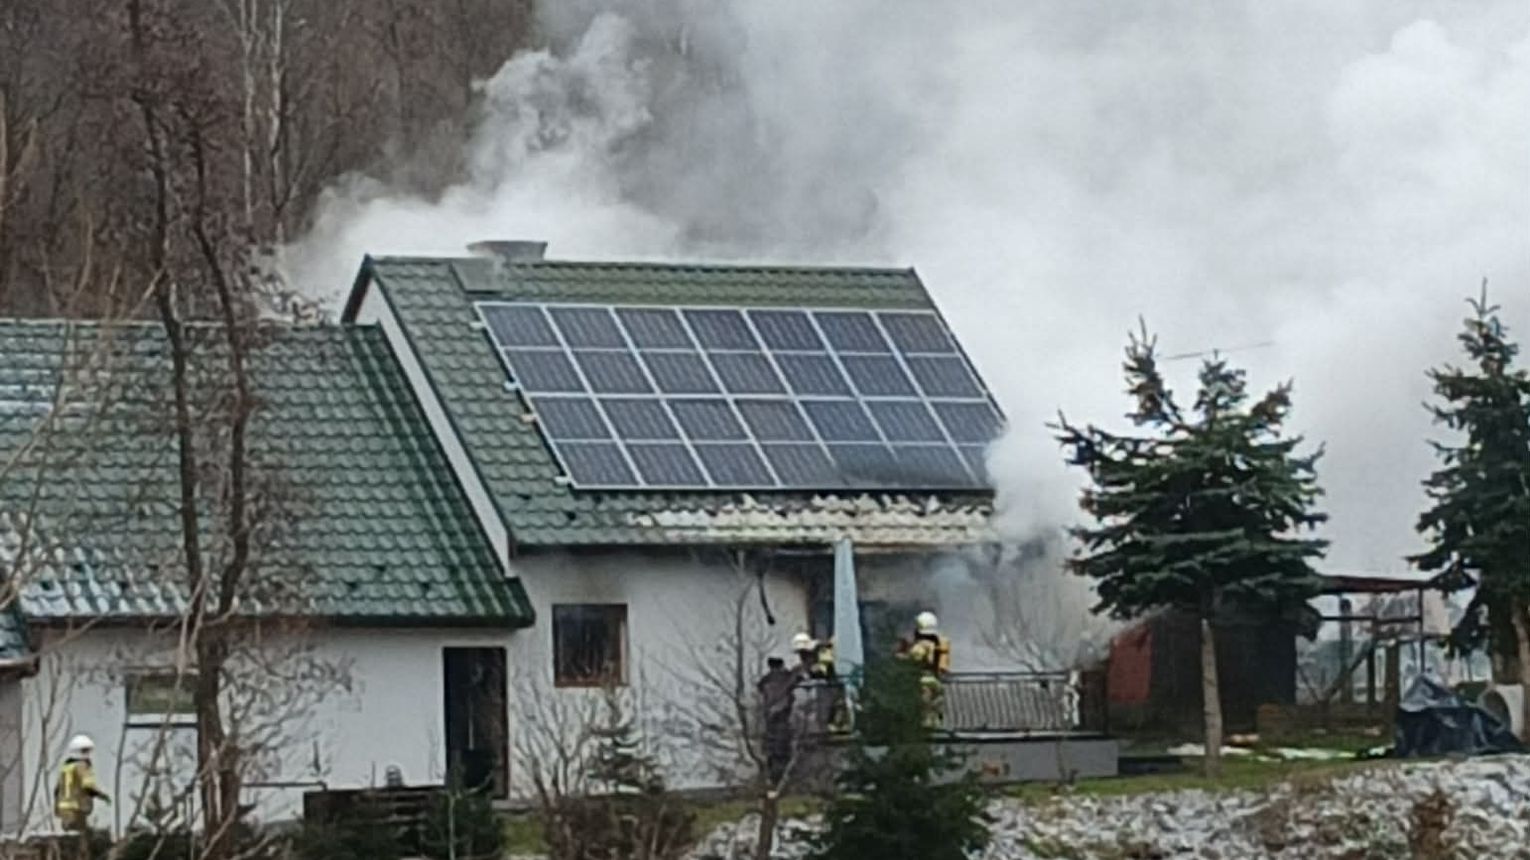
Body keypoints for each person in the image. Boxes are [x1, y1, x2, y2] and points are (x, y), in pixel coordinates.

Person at [902, 611, 952, 727]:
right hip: (938, 679)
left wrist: (904, 655)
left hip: (924, 679)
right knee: (936, 707)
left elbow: (915, 657)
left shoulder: (922, 644)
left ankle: (927, 727)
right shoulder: (941, 641)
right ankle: (937, 726)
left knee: (925, 707)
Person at [55, 735, 109, 839]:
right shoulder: (81, 766)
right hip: (78, 808)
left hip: (64, 808)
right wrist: (103, 796)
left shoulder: (66, 767)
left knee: (68, 836)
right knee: (80, 838)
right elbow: (88, 786)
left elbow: (58, 789)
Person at [757, 657, 799, 786]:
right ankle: (779, 777)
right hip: (781, 717)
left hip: (772, 719)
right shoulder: (785, 677)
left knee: (775, 748)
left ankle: (775, 778)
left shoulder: (766, 680)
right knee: (781, 747)